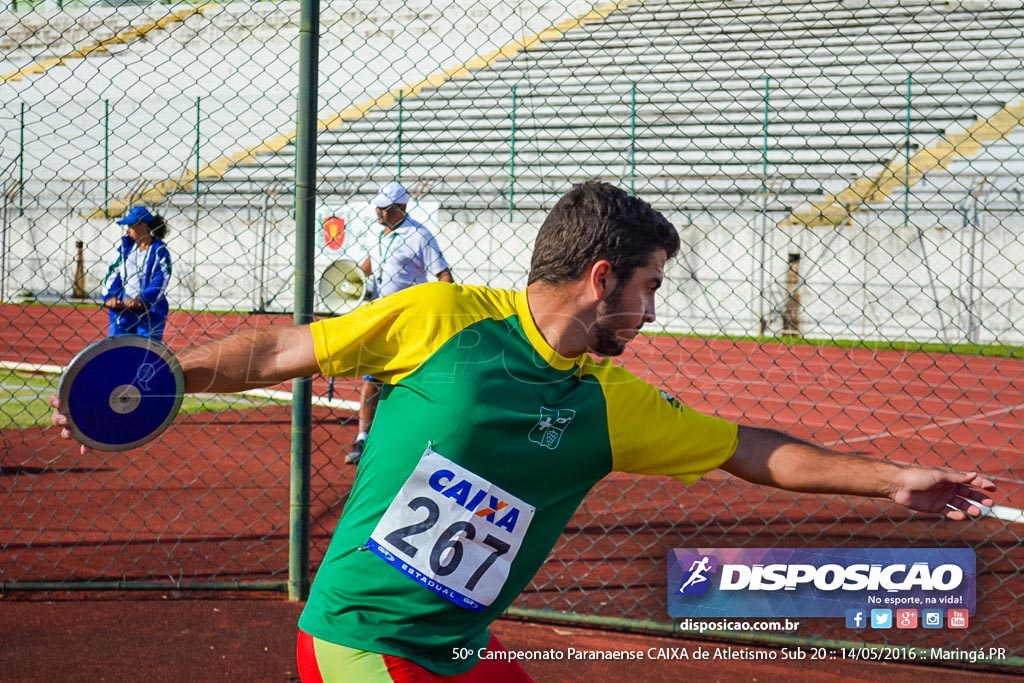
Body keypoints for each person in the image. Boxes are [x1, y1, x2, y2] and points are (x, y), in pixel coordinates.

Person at [53, 181, 996, 683]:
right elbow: (270, 355)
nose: (652, 312)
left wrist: (891, 480)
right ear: (602, 277)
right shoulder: (441, 316)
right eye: (650, 287)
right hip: (357, 637)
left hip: (454, 648)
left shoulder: (608, 403)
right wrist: (152, 376)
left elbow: (748, 448)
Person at [347, 181, 454, 465]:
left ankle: (417, 440)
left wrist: (438, 310)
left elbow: (443, 275)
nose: (378, 212)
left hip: (409, 318)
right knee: (372, 379)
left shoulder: (420, 236)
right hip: (381, 316)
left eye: (384, 208)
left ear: (401, 208)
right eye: (378, 207)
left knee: (409, 381)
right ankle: (362, 438)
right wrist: (350, 279)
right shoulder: (379, 235)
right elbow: (371, 262)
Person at [101, 205, 173, 341]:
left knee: (146, 349)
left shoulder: (160, 252)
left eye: (131, 225)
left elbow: (161, 279)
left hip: (150, 312)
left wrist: (142, 300)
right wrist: (110, 296)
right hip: (123, 311)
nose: (128, 230)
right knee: (116, 347)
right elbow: (113, 273)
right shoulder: (124, 249)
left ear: (143, 225)